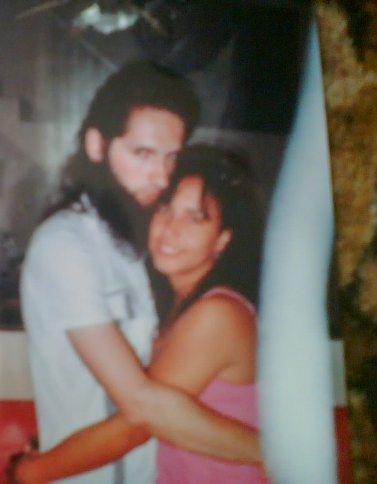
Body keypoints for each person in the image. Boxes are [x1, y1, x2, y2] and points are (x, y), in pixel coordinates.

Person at [19, 61, 261, 483]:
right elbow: (141, 407)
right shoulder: (66, 245)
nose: (161, 176)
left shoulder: (135, 245)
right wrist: (274, 451)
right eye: (142, 154)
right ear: (97, 146)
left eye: (171, 158)